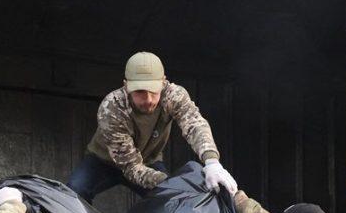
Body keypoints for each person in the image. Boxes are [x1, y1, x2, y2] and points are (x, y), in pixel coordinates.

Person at [67, 51, 237, 203]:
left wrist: (212, 162)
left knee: (170, 200)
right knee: (75, 191)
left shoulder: (173, 95)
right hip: (104, 162)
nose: (148, 99)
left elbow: (194, 124)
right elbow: (131, 168)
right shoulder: (112, 107)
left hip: (149, 161)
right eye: (140, 91)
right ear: (126, 86)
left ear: (163, 82)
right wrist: (172, 183)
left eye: (153, 91)